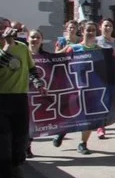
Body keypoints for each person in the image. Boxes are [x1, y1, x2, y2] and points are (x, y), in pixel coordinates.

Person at [55, 20, 103, 155]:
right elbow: (60, 63)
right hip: (75, 86)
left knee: (89, 116)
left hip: (93, 87)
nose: (91, 32)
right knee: (72, 113)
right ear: (82, 31)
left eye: (93, 30)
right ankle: (62, 131)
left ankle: (83, 143)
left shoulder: (99, 50)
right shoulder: (74, 48)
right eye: (88, 30)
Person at [0, 16, 32, 178]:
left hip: (20, 97)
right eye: (2, 28)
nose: (6, 31)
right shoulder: (5, 47)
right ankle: (4, 177)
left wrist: (39, 83)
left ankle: (16, 163)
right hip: (2, 98)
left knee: (21, 136)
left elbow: (31, 68)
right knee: (3, 139)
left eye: (8, 28)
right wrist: (7, 45)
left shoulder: (22, 47)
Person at [24, 30, 49, 159]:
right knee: (25, 121)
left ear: (41, 40)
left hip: (39, 94)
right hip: (23, 91)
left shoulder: (47, 56)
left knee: (34, 122)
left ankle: (27, 145)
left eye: (38, 37)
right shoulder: (23, 54)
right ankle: (24, 146)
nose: (35, 39)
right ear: (27, 39)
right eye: (32, 37)